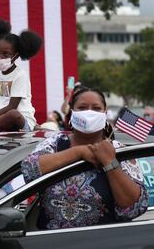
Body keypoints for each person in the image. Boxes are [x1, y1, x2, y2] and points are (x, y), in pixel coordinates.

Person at [21, 87, 148, 230]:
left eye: (96, 108)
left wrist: (110, 162)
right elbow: (29, 169)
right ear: (72, 112)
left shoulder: (119, 150)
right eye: (82, 108)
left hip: (99, 241)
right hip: (50, 240)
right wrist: (79, 152)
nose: (89, 113)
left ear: (104, 113)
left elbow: (134, 207)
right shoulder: (56, 142)